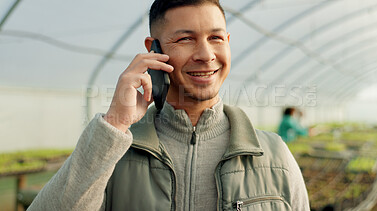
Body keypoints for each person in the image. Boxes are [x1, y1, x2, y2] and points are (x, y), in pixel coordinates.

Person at [28, 0, 309, 210]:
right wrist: (115, 122)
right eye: (186, 39)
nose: (206, 54)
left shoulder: (275, 157)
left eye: (215, 38)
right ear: (154, 49)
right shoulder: (112, 153)